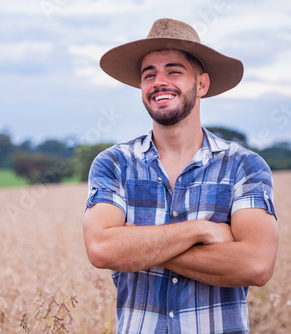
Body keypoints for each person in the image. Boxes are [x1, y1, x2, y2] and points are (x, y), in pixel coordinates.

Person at [82, 18, 279, 334]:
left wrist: (138, 245)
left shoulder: (244, 166)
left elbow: (256, 265)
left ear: (201, 84)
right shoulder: (114, 164)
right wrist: (202, 230)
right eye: (149, 75)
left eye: (173, 71)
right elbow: (103, 250)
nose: (159, 81)